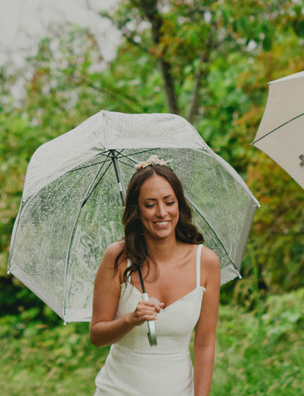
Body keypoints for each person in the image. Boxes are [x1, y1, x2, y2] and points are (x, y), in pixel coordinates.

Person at [89, 158, 221, 396]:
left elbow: (204, 344)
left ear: (179, 204)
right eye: (150, 205)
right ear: (137, 211)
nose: (162, 213)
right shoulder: (117, 257)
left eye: (169, 202)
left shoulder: (206, 262)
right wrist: (130, 319)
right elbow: (97, 336)